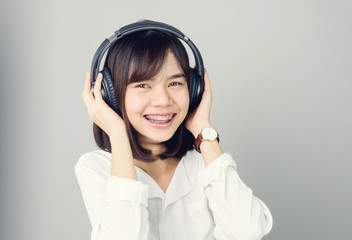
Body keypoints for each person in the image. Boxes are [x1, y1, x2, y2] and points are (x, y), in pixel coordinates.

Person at [75, 20, 273, 240]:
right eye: (143, 85)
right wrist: (118, 133)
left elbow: (248, 231)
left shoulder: (206, 161)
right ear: (110, 95)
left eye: (175, 83)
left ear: (194, 90)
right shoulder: (95, 167)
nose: (163, 100)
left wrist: (203, 130)